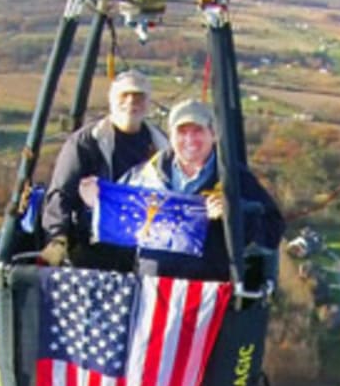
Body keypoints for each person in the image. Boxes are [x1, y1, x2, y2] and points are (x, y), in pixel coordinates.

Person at [81, 98, 285, 281]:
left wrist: (233, 213)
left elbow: (272, 232)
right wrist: (94, 204)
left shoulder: (236, 179)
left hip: (207, 297)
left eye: (197, 131)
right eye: (182, 132)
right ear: (170, 136)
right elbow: (112, 223)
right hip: (151, 293)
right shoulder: (145, 176)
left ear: (213, 134)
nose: (190, 140)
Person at [40, 69, 169, 269]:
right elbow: (61, 193)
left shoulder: (161, 144)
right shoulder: (86, 142)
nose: (131, 102)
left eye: (138, 96)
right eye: (124, 95)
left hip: (144, 245)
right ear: (111, 100)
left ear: (148, 102)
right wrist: (57, 238)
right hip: (95, 246)